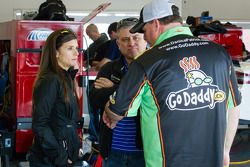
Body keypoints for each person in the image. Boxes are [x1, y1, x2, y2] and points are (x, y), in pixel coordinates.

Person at [103, 0, 241, 167]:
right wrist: (225, 151)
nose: (145, 37)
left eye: (144, 30)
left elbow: (117, 111)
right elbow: (233, 105)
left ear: (155, 24)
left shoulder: (146, 61)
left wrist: (108, 110)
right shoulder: (220, 53)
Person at [89, 18, 147, 167]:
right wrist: (128, 91)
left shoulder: (155, 67)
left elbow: (155, 100)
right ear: (118, 43)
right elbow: (95, 99)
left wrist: (113, 87)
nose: (131, 43)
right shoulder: (109, 68)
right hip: (113, 150)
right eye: (125, 39)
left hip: (145, 151)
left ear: (145, 39)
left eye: (136, 37)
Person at [28, 28, 83, 167]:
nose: (77, 53)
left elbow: (65, 120)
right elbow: (40, 124)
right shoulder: (51, 80)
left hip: (64, 154)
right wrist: (59, 155)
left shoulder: (65, 78)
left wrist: (74, 146)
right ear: (56, 53)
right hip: (50, 160)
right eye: (70, 48)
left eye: (77, 48)